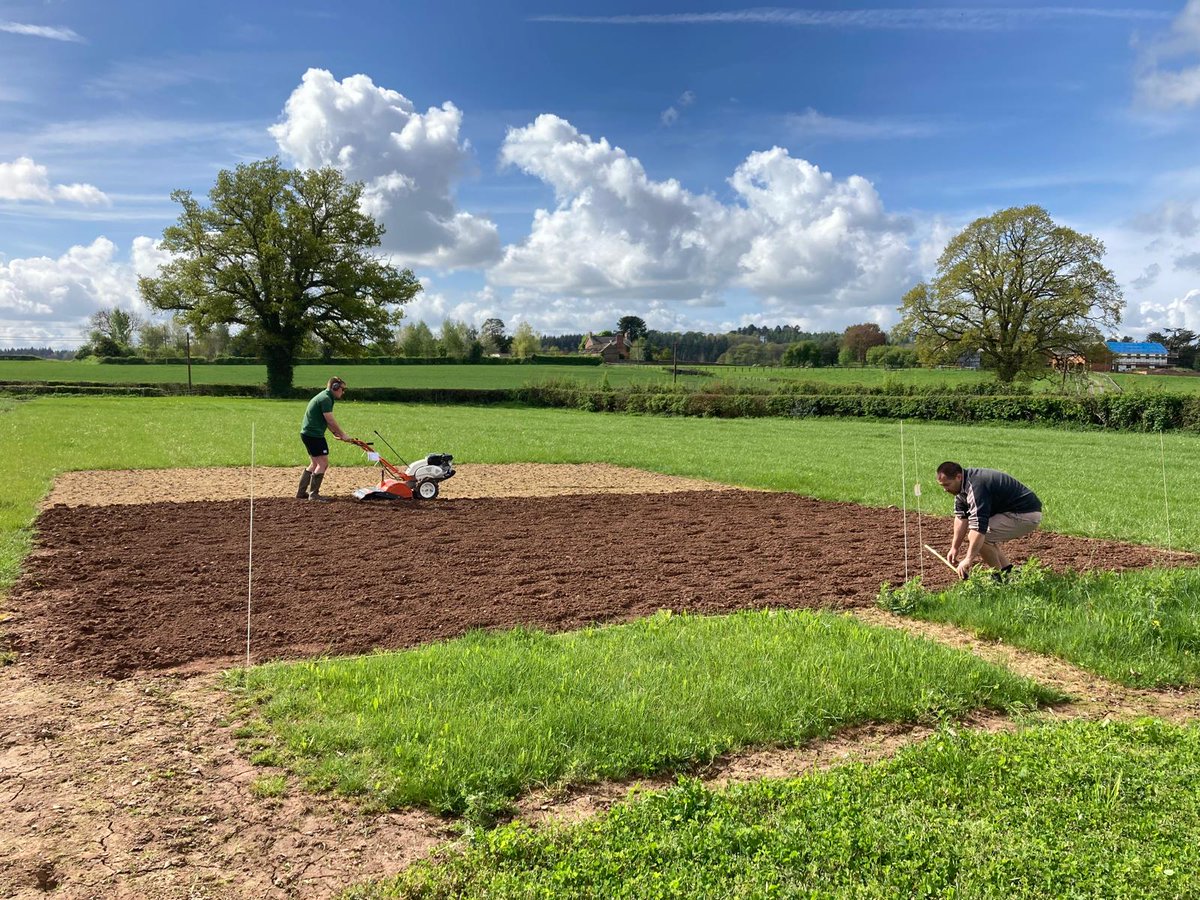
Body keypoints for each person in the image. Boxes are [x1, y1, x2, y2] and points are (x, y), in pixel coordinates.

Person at [935, 461, 1042, 580]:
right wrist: (955, 547)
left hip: (1025, 514)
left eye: (947, 485)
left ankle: (999, 579)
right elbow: (961, 517)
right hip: (1012, 512)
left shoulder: (976, 487)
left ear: (958, 477)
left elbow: (979, 528)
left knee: (983, 538)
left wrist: (968, 560)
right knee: (982, 537)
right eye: (942, 486)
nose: (945, 489)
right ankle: (1008, 573)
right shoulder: (962, 487)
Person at [297, 377, 351, 501]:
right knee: (323, 464)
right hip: (314, 435)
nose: (343, 392)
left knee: (314, 463)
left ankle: (301, 493)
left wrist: (334, 432)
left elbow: (324, 420)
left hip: (307, 434)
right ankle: (314, 494)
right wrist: (343, 434)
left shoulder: (325, 396)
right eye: (343, 389)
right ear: (335, 387)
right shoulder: (326, 399)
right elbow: (329, 419)